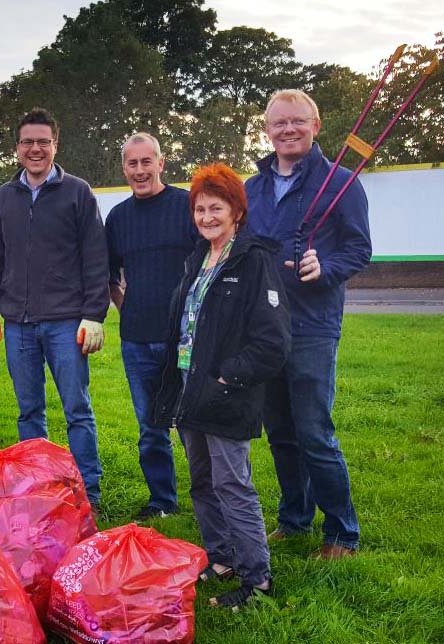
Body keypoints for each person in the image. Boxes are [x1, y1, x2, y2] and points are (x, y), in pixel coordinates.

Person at [152, 163, 290, 610]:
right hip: (190, 388)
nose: (207, 216)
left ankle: (258, 581)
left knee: (233, 484)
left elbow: (272, 341)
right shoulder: (199, 257)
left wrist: (229, 375)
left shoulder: (254, 261)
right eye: (200, 209)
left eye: (216, 208)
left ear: (236, 212)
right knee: (202, 483)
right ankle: (222, 558)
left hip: (227, 391)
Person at [245, 89, 372, 559]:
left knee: (314, 431)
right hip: (265, 326)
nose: (288, 130)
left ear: (315, 126)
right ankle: (294, 519)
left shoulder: (341, 181)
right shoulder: (251, 189)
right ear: (267, 131)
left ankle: (342, 532)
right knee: (279, 431)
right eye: (279, 123)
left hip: (313, 324)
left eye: (298, 121)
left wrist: (328, 267)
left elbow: (359, 248)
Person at [0, 108, 109, 506]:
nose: (35, 149)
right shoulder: (5, 196)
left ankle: (88, 491)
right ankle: (36, 490)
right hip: (17, 323)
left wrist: (94, 314)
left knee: (77, 410)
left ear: (56, 145)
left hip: (67, 323)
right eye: (27, 142)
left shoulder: (78, 192)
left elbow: (95, 257)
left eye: (43, 142)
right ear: (17, 148)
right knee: (28, 412)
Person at [105, 132, 197, 521]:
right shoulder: (118, 218)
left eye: (147, 162)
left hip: (187, 337)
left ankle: (210, 498)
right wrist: (129, 310)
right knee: (151, 426)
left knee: (196, 423)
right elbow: (110, 277)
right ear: (124, 168)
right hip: (138, 340)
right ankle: (162, 501)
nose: (140, 171)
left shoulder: (186, 205)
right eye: (132, 163)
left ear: (162, 163)